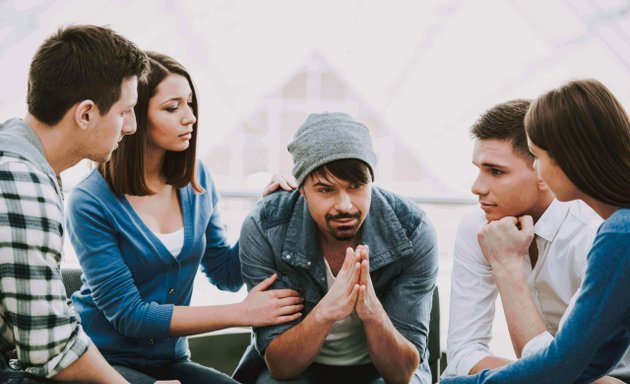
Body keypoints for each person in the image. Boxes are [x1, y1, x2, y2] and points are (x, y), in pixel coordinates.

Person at [65, 52, 302, 384]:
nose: (190, 117)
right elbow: (129, 316)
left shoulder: (197, 180)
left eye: (190, 104)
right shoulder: (89, 202)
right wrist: (240, 314)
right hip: (100, 362)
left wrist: (266, 214)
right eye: (172, 107)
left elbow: (227, 274)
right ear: (134, 114)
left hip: (169, 358)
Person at [442, 79, 630, 383]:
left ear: (569, 159)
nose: (477, 187)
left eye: (539, 156)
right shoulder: (619, 229)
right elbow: (582, 366)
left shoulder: (614, 234)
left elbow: (562, 367)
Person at [237, 112, 439, 384]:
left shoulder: (413, 230)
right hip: (301, 372)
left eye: (356, 186)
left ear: (371, 182)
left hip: (378, 372)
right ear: (302, 188)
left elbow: (401, 373)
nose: (345, 205)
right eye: (325, 190)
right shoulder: (267, 226)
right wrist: (327, 310)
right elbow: (281, 367)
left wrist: (371, 311)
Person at [0, 25, 148, 382]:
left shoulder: (17, 154)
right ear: (85, 114)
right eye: (124, 112)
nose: (130, 127)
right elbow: (51, 349)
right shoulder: (22, 181)